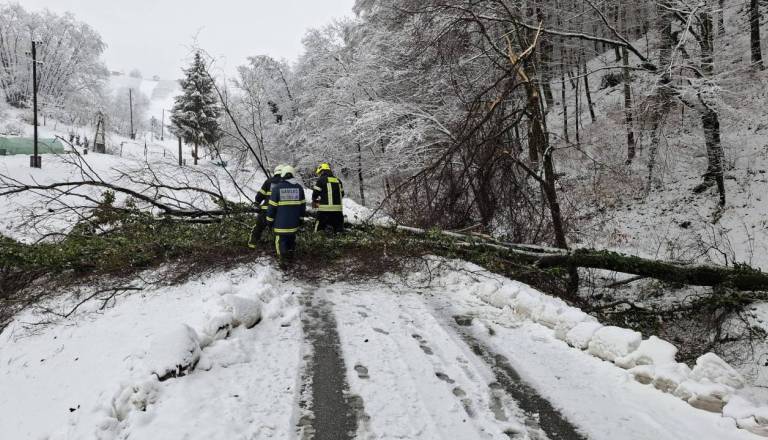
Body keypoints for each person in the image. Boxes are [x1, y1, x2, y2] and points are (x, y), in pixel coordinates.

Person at [266, 165, 306, 264]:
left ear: (283, 174)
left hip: (280, 226)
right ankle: (290, 259)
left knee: (281, 243)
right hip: (294, 225)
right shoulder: (299, 188)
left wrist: (269, 221)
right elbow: (302, 207)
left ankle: (283, 262)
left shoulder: (277, 188)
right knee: (291, 241)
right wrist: (300, 220)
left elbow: (271, 208)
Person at [248, 164, 284, 248]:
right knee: (278, 230)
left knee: (258, 227)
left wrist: (257, 202)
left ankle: (252, 244)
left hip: (266, 210)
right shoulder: (285, 183)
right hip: (279, 211)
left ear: (275, 172)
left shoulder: (268, 181)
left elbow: (260, 195)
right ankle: (276, 247)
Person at [312, 162, 344, 233]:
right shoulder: (338, 180)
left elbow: (315, 195)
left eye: (319, 173)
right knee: (338, 232)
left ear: (322, 171)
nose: (319, 175)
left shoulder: (321, 180)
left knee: (319, 230)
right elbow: (342, 194)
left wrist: (316, 202)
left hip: (324, 211)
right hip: (338, 211)